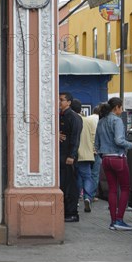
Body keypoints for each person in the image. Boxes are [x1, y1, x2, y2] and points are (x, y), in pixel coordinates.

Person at [94, 97, 132, 231]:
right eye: (121, 107)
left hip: (105, 159)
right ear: (117, 107)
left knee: (112, 189)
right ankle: (119, 219)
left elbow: (96, 144)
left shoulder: (101, 121)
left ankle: (113, 222)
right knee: (125, 188)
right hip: (118, 158)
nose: (122, 110)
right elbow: (119, 140)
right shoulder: (117, 121)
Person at [59, 92, 82, 222]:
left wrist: (71, 155)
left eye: (61, 100)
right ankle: (66, 211)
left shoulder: (73, 117)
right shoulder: (60, 115)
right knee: (63, 184)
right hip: (61, 155)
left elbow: (75, 138)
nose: (59, 102)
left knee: (70, 185)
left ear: (69, 102)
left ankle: (72, 213)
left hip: (68, 156)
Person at [71, 99, 96, 213]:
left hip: (74, 154)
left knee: (76, 178)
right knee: (87, 177)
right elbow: (93, 137)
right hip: (87, 154)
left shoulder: (71, 119)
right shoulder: (88, 121)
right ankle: (87, 197)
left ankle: (76, 200)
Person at [89, 103, 103, 200]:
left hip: (86, 150)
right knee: (95, 174)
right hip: (97, 150)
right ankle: (92, 195)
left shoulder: (87, 119)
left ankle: (82, 193)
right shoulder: (101, 120)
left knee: (85, 173)